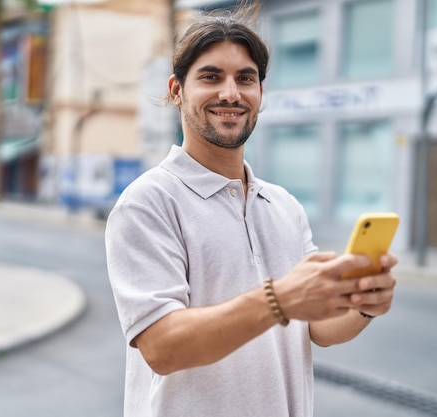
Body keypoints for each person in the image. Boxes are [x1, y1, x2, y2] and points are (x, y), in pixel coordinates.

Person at [105, 3, 398, 417]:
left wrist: (364, 303)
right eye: (210, 76)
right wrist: (279, 299)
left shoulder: (284, 206)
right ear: (176, 90)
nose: (231, 93)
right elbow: (161, 346)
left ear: (261, 94)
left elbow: (320, 328)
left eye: (246, 79)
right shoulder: (147, 202)